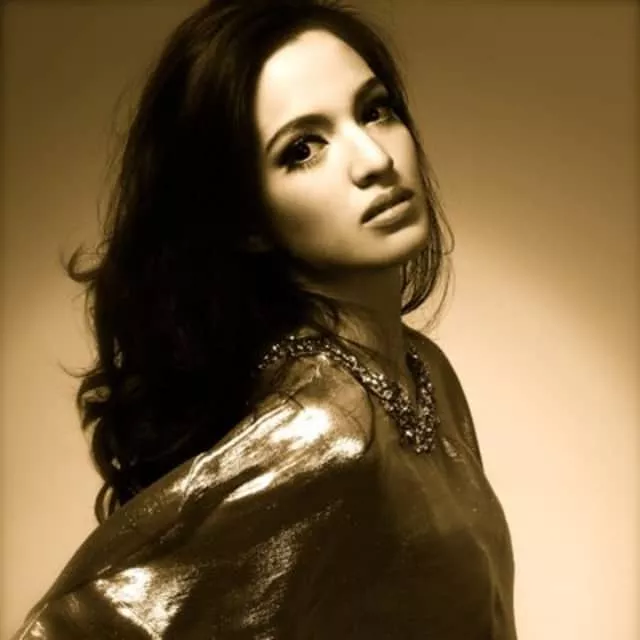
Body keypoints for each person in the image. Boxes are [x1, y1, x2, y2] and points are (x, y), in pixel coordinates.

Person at [13, 0, 518, 637]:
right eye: (302, 149)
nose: (373, 159)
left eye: (375, 110)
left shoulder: (423, 370)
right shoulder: (320, 432)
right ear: (245, 220)